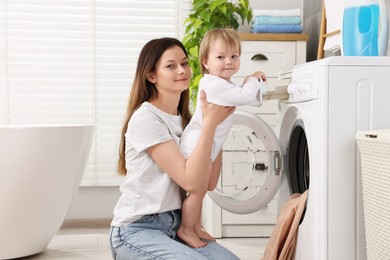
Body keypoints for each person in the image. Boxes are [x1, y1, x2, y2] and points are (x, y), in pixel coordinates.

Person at [109, 37, 240, 260]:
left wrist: (217, 128)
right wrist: (209, 124)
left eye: (185, 63)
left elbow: (208, 183)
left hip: (176, 226)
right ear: (151, 76)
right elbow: (189, 182)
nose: (182, 70)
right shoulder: (147, 118)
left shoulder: (186, 121)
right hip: (138, 230)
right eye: (171, 66)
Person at [178, 28, 267, 248]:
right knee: (197, 190)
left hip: (207, 144)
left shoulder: (223, 84)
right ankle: (186, 229)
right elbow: (246, 96)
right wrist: (253, 78)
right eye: (221, 57)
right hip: (198, 143)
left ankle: (196, 226)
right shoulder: (213, 84)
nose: (229, 62)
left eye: (234, 56)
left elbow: (249, 98)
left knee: (204, 188)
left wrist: (248, 82)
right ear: (206, 62)